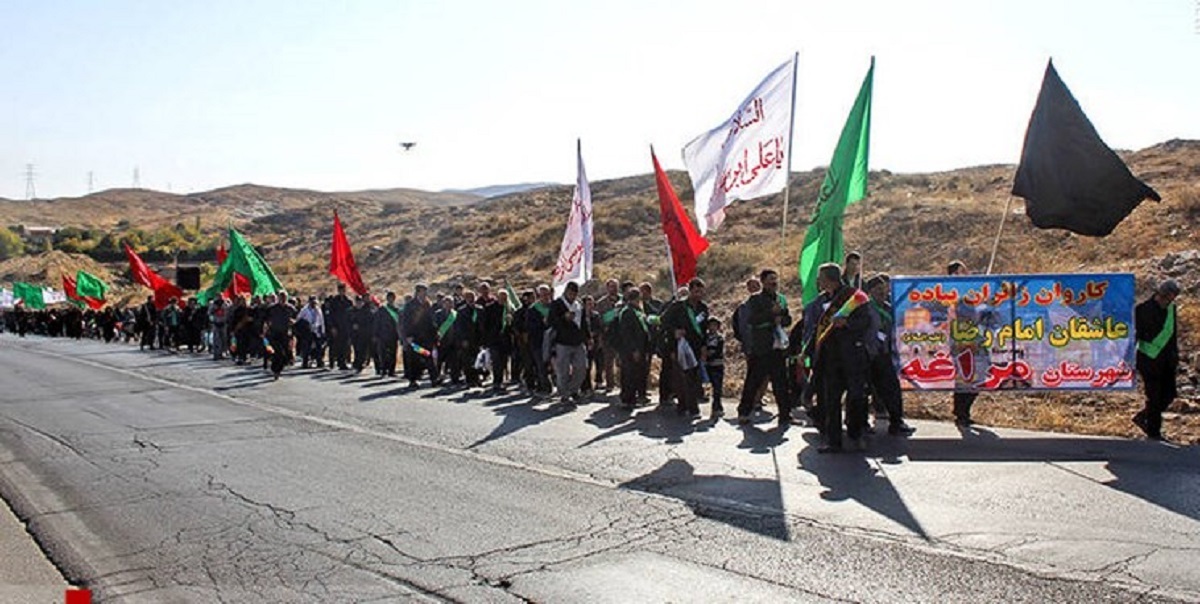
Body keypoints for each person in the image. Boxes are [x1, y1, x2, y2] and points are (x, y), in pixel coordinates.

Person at [810, 263, 872, 453]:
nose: (819, 281)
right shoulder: (822, 300)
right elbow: (818, 326)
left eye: (821, 277)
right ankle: (833, 440)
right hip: (831, 357)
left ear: (829, 278)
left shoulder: (854, 296)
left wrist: (847, 323)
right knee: (831, 400)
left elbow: (866, 321)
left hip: (852, 355)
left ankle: (856, 433)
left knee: (856, 397)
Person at [737, 269, 794, 428]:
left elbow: (788, 319)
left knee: (781, 383)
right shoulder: (755, 300)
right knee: (753, 382)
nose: (774, 282)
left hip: (778, 348)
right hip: (761, 348)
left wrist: (780, 318)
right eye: (770, 279)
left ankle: (785, 414)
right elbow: (752, 320)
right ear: (763, 282)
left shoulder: (781, 299)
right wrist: (770, 314)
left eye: (775, 279)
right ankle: (743, 412)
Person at [864, 274, 915, 436]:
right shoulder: (865, 308)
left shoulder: (889, 307)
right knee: (863, 392)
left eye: (884, 289)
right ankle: (861, 424)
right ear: (870, 291)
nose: (882, 293)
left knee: (891, 389)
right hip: (868, 355)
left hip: (884, 355)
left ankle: (896, 421)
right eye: (878, 290)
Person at [1133, 279, 1181, 442]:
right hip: (1148, 360)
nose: (1168, 301)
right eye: (1166, 297)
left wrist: (1175, 356)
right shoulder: (1142, 310)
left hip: (1168, 360)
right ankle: (1154, 432)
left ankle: (1143, 416)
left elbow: (1172, 335)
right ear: (1159, 294)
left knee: (1169, 395)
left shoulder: (1171, 310)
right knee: (1154, 396)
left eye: (1171, 298)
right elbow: (1135, 335)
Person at [662, 278, 709, 418]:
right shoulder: (678, 306)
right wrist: (674, 331)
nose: (698, 294)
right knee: (681, 377)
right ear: (690, 291)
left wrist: (704, 347)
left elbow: (704, 328)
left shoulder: (703, 308)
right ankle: (685, 406)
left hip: (695, 346)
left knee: (694, 377)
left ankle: (691, 406)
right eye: (696, 291)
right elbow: (664, 321)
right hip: (680, 346)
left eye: (701, 291)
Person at [947, 260, 978, 426]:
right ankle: (961, 413)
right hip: (961, 340)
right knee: (966, 377)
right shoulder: (955, 293)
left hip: (970, 339)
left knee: (972, 377)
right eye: (963, 270)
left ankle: (961, 411)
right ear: (955, 273)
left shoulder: (967, 293)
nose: (967, 273)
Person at [550, 281, 589, 405]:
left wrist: (588, 337)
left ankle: (573, 389)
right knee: (563, 371)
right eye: (571, 292)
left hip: (578, 341)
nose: (572, 295)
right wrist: (563, 318)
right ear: (566, 291)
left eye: (575, 293)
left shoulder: (579, 305)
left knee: (582, 368)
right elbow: (551, 321)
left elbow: (583, 322)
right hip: (563, 342)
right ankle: (564, 394)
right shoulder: (557, 304)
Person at [614, 288, 651, 409]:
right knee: (629, 373)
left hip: (640, 347)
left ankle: (636, 396)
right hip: (630, 350)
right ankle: (627, 398)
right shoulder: (627, 312)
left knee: (638, 373)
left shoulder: (637, 311)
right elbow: (627, 334)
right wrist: (634, 349)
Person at [402, 284, 440, 388]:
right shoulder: (410, 305)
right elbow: (406, 322)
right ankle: (413, 379)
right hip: (415, 337)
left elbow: (431, 320)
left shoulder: (428, 304)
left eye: (425, 291)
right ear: (418, 292)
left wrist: (435, 333)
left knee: (428, 356)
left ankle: (434, 378)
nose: (424, 293)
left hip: (426, 337)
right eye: (423, 291)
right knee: (414, 359)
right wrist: (408, 336)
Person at [594, 279, 622, 392]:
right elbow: (598, 318)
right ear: (607, 288)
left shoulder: (623, 300)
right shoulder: (601, 303)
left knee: (621, 362)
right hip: (608, 336)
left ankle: (622, 384)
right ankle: (610, 384)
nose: (613, 289)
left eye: (615, 286)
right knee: (608, 362)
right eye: (611, 286)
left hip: (621, 335)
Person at [263, 293, 294, 380]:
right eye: (281, 298)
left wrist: (293, 322)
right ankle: (275, 370)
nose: (283, 299)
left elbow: (296, 319)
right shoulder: (272, 309)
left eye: (285, 298)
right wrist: (265, 331)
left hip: (285, 334)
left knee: (285, 355)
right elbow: (265, 320)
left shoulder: (290, 308)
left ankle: (278, 370)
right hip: (274, 334)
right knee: (278, 352)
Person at [374, 291, 401, 378]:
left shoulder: (396, 310)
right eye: (389, 298)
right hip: (383, 334)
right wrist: (376, 334)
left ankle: (391, 371)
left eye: (392, 298)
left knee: (393, 353)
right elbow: (377, 323)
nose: (391, 300)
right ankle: (383, 370)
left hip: (393, 335)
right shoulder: (382, 309)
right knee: (383, 353)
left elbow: (399, 324)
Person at [326, 283, 354, 370]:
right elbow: (330, 315)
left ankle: (343, 363)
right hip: (337, 327)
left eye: (343, 290)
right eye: (340, 290)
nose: (342, 291)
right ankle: (336, 362)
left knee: (345, 346)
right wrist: (332, 327)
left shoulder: (348, 302)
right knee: (336, 345)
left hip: (346, 327)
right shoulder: (334, 302)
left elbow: (351, 315)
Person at [704, 318, 727, 419]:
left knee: (717, 387)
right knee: (712, 386)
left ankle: (717, 407)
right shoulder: (705, 338)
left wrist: (709, 355)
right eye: (710, 325)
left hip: (717, 364)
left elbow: (718, 351)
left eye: (715, 325)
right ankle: (718, 407)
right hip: (708, 365)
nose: (712, 328)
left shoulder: (719, 339)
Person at [297, 296, 326, 369]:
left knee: (319, 346)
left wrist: (323, 331)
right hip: (307, 331)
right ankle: (305, 362)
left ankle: (319, 361)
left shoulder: (318, 310)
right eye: (312, 302)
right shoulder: (304, 310)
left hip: (316, 330)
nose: (313, 303)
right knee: (307, 347)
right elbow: (299, 318)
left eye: (314, 302)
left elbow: (321, 321)